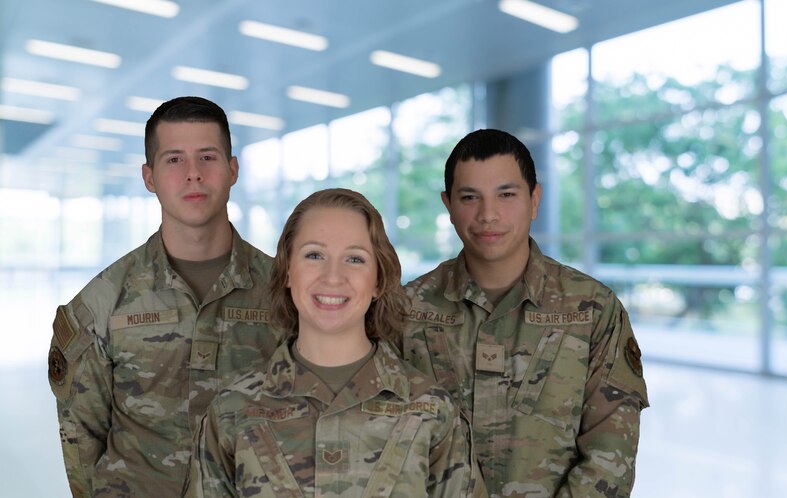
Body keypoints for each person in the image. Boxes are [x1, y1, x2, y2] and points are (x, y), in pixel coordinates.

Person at [47, 96, 285, 497]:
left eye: (207, 157)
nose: (193, 174)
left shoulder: (286, 291)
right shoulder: (102, 304)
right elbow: (81, 439)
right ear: (149, 176)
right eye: (174, 159)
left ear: (232, 170)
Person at [401, 129, 650, 497]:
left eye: (506, 195)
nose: (488, 215)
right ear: (449, 205)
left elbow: (610, 454)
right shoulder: (408, 310)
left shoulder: (592, 310)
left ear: (534, 200)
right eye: (470, 197)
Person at [184, 188, 477, 497]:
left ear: (378, 280)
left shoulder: (433, 410)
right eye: (314, 255)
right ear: (286, 270)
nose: (333, 277)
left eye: (354, 258)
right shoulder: (233, 411)